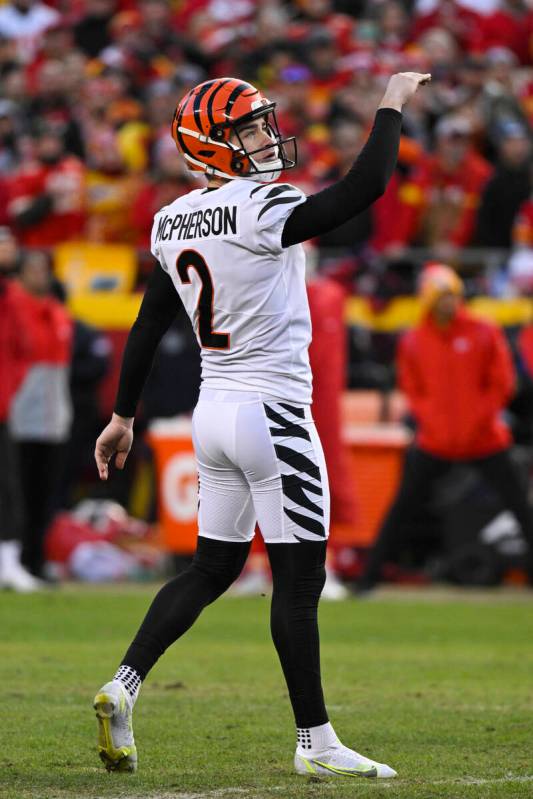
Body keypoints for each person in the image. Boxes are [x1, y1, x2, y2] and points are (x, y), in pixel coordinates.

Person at [93, 71, 430, 779]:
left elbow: (151, 321)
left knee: (212, 567)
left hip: (211, 413)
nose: (265, 137)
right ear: (210, 147)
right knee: (298, 581)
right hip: (272, 411)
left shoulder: (172, 217)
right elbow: (362, 190)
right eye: (246, 129)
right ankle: (315, 741)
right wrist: (391, 103)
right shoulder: (260, 205)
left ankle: (122, 685)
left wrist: (123, 413)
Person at [358, 263, 533, 592]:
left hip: (485, 439)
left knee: (521, 507)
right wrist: (434, 421)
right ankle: (368, 578)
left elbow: (502, 383)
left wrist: (477, 419)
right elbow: (412, 388)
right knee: (401, 507)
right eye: (441, 296)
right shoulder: (414, 340)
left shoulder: (483, 330)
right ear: (428, 299)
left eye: (452, 295)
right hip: (436, 441)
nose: (448, 303)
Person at [10, 249, 73, 579]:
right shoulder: (14, 310)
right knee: (17, 493)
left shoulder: (57, 311)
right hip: (19, 416)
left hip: (53, 418)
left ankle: (34, 560)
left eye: (44, 269)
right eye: (34, 269)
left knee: (43, 496)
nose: (41, 275)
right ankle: (15, 558)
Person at [0, 227, 41, 591]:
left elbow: (25, 347)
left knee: (8, 487)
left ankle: (9, 562)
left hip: (1, 409)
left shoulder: (13, 298)